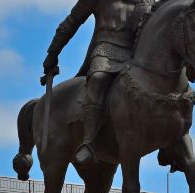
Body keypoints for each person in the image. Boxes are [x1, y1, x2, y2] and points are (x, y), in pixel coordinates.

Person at [42, 0, 154, 165]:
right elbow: (71, 22)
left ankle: (171, 141)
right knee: (98, 80)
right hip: (106, 49)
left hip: (137, 56)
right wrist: (53, 52)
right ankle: (88, 141)